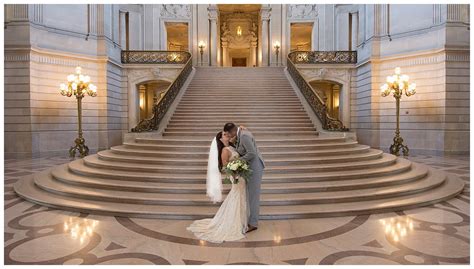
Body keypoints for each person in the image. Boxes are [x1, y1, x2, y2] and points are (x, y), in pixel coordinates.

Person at [186, 131, 249, 243]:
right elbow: (225, 166)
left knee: (240, 196)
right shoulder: (224, 150)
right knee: (236, 195)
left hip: (241, 175)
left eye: (227, 134)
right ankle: (234, 222)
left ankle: (241, 220)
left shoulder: (232, 147)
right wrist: (233, 175)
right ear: (220, 139)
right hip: (235, 177)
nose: (227, 135)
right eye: (224, 135)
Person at [223, 122, 265, 233]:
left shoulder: (244, 135)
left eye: (229, 134)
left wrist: (237, 161)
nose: (229, 136)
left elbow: (252, 153)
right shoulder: (240, 134)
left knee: (253, 196)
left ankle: (253, 223)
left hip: (255, 167)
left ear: (232, 131)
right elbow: (242, 151)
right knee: (249, 194)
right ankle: (249, 219)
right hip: (249, 167)